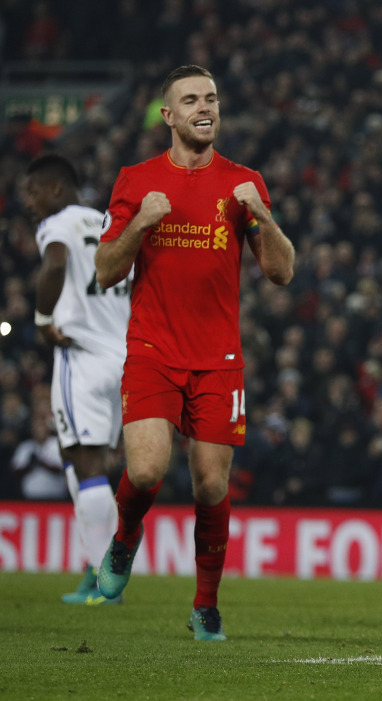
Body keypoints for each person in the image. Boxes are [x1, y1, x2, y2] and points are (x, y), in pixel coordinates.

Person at [92, 65, 295, 641]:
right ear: (169, 116)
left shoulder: (243, 182)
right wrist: (141, 226)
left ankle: (205, 605)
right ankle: (125, 537)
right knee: (147, 468)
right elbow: (106, 270)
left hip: (217, 359)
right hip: (153, 349)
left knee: (209, 484)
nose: (205, 107)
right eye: (191, 99)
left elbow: (280, 272)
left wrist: (262, 214)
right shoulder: (136, 181)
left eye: (211, 98)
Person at [26, 152, 133, 606]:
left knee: (83, 463)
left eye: (32, 193)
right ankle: (97, 568)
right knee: (92, 465)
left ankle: (102, 577)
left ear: (54, 189)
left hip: (81, 354)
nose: (29, 203)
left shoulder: (60, 224)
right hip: (124, 358)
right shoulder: (109, 221)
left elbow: (54, 264)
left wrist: (40, 318)